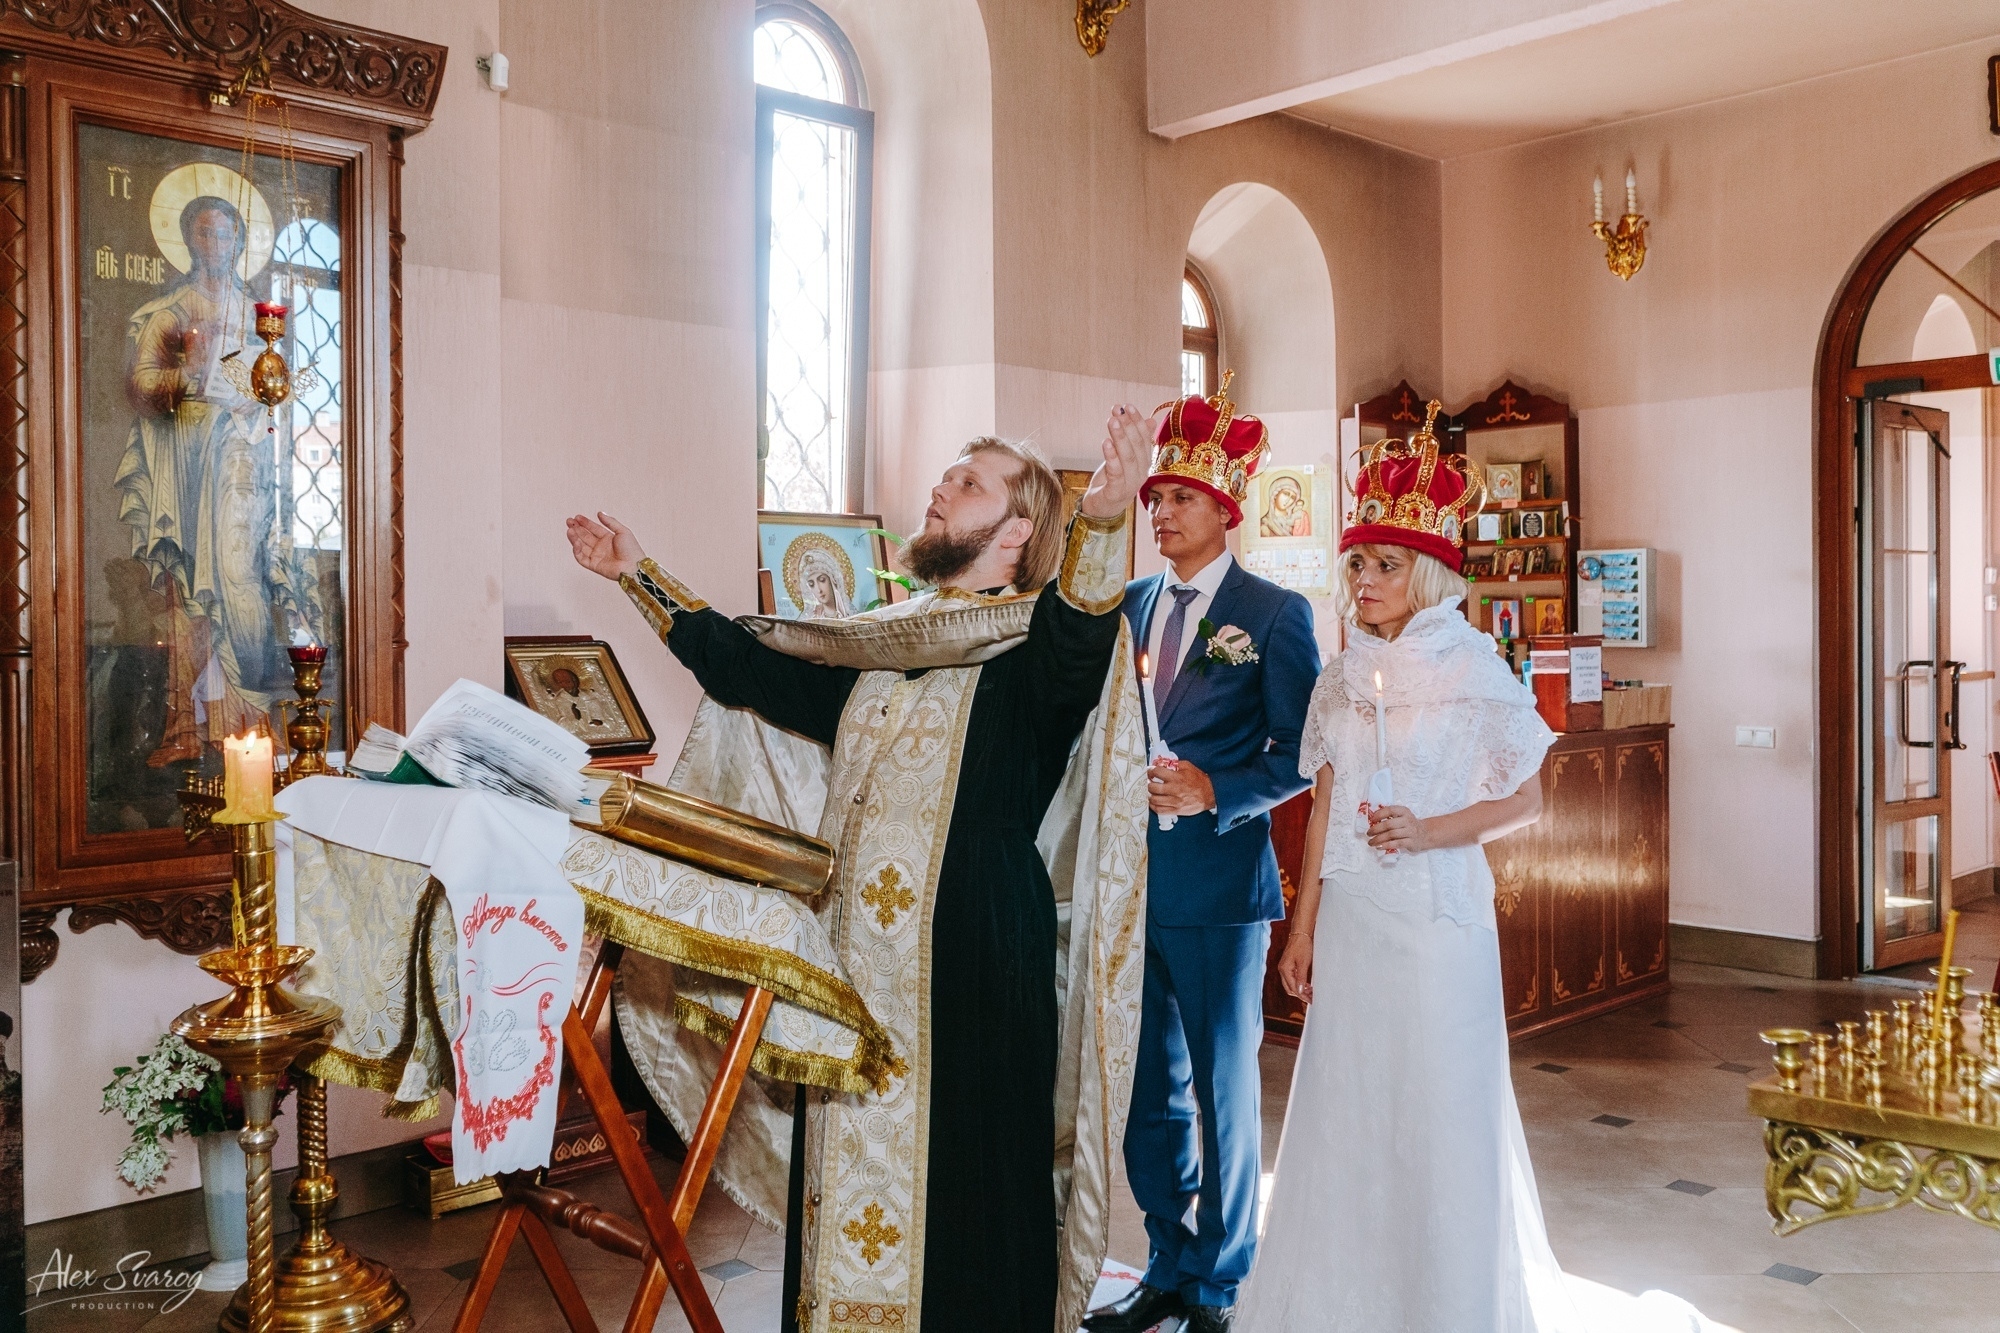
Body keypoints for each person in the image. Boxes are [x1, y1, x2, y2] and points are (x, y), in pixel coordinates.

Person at [565, 410, 1154, 1333]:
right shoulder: (881, 646)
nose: (939, 490)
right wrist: (636, 571)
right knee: (843, 1179)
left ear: (1017, 532)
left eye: (968, 484)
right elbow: (752, 666)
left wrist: (1109, 516)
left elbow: (1085, 630)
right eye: (946, 477)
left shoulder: (1035, 652)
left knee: (972, 1196)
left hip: (977, 966)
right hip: (856, 968)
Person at [1086, 381, 1318, 1333]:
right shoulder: (1130, 604)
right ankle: (1168, 1263)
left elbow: (1302, 752)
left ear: (1224, 509)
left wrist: (1217, 790)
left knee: (1222, 1092)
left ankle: (1222, 1281)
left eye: (1179, 497)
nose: (1163, 512)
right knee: (1150, 1090)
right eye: (1155, 499)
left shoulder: (1272, 612)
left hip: (1222, 887)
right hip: (1131, 885)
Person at [115, 194, 293, 766]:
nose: (214, 246)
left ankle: (254, 718)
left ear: (241, 243)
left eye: (224, 236)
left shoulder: (259, 317)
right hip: (187, 464)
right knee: (192, 586)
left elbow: (280, 396)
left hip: (244, 466)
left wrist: (257, 400)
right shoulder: (169, 311)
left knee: (239, 574)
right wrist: (190, 371)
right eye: (204, 235)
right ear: (189, 242)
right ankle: (196, 727)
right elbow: (142, 385)